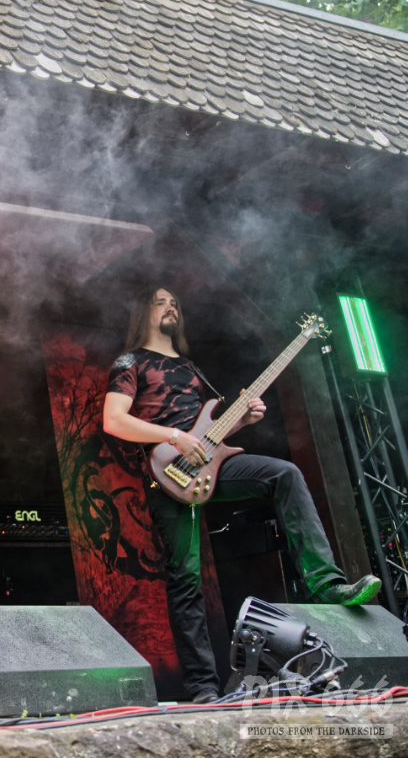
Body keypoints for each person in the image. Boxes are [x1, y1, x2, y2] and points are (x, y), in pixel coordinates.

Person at [102, 285, 380, 704]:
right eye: (161, 302)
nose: (171, 307)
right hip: (169, 470)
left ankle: (327, 584)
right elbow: (114, 420)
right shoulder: (131, 361)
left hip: (209, 463)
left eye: (175, 302)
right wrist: (174, 437)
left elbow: (207, 432)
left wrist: (242, 421)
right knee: (186, 578)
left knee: (284, 474)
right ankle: (202, 689)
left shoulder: (191, 368)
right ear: (144, 312)